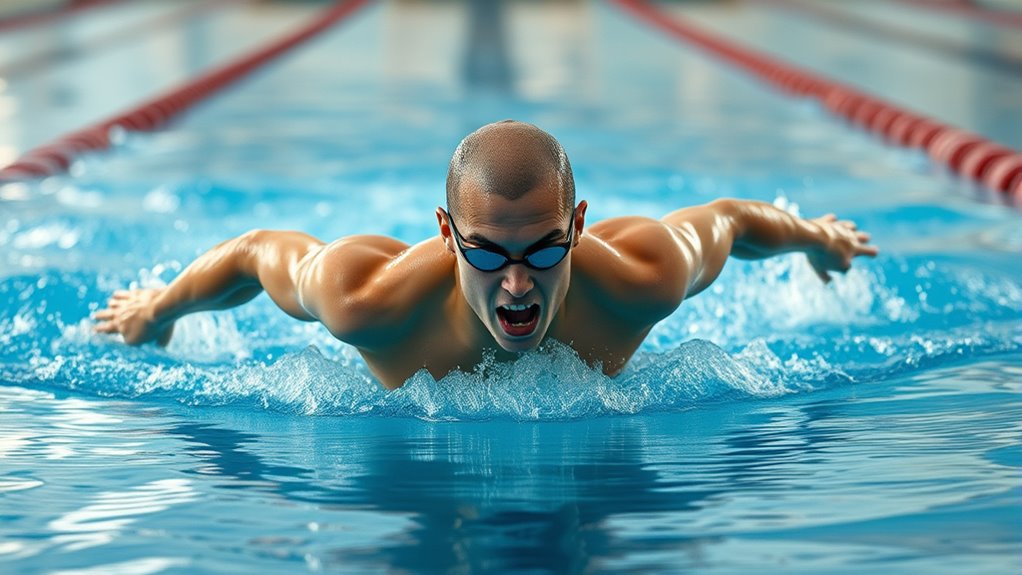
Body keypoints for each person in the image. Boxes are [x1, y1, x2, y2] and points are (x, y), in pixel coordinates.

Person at [94, 120, 878, 389]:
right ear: (445, 233)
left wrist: (816, 237)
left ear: (577, 226)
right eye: (487, 253)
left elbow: (731, 222)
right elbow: (258, 252)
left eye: (543, 249)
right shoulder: (366, 299)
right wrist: (159, 308)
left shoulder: (641, 277)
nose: (515, 283)